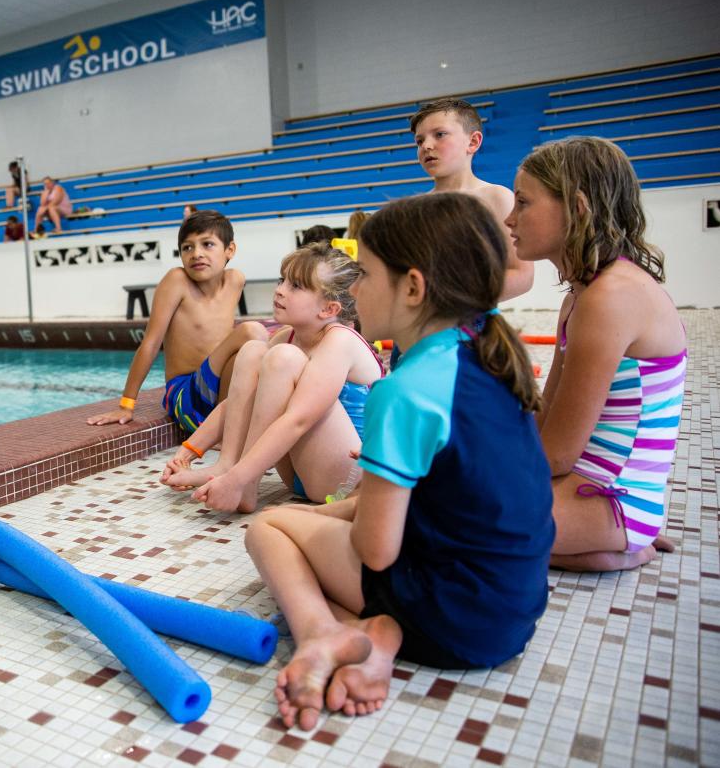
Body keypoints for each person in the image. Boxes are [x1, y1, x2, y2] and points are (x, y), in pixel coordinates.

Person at [245, 193, 553, 731]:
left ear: (412, 287)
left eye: (364, 273)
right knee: (308, 524)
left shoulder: (406, 390)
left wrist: (312, 521)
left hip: (453, 619)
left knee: (268, 529)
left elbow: (376, 550)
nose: (355, 287)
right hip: (515, 609)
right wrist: (325, 517)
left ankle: (324, 632)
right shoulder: (492, 355)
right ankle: (379, 636)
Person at [507, 136, 685, 572]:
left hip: (610, 497)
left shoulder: (610, 298)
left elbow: (556, 455)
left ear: (578, 208)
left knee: (441, 523)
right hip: (599, 488)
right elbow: (547, 415)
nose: (510, 219)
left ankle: (618, 542)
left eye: (523, 203)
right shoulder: (583, 293)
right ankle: (608, 549)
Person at [159, 243, 383, 512]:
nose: (280, 290)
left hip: (346, 483)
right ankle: (229, 466)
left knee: (282, 358)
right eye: (282, 280)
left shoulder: (340, 341)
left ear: (328, 309)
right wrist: (189, 452)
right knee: (254, 351)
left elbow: (297, 421)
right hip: (299, 477)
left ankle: (242, 480)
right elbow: (239, 402)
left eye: (296, 286)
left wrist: (235, 481)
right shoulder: (287, 337)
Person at [87, 210, 266, 431]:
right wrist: (126, 405)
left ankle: (230, 424)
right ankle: (223, 430)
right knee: (252, 332)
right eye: (187, 247)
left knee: (257, 346)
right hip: (185, 398)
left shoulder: (235, 280)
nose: (196, 253)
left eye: (207, 244)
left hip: (218, 392)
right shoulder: (177, 281)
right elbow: (151, 344)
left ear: (230, 250)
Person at [410, 98, 534, 300]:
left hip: (472, 323)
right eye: (420, 141)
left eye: (439, 134)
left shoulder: (496, 197)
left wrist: (454, 299)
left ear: (473, 141)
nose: (427, 146)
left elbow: (522, 274)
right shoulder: (414, 209)